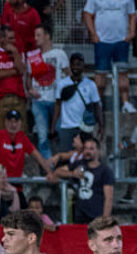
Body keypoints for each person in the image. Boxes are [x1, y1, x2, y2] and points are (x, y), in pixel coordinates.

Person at [82, 0, 136, 114]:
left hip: (121, 41)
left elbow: (132, 14)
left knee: (123, 73)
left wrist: (132, 32)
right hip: (102, 41)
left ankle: (125, 103)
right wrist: (93, 34)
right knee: (100, 74)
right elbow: (87, 14)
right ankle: (98, 103)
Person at [25, 24, 68, 158]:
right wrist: (30, 90)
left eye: (39, 35)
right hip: (39, 101)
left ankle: (64, 166)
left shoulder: (60, 54)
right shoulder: (32, 56)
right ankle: (48, 171)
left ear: (47, 36)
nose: (35, 38)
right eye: (35, 35)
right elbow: (28, 77)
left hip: (57, 101)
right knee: (42, 138)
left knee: (61, 133)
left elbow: (69, 74)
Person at [52, 52, 101, 152]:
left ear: (83, 66)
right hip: (66, 126)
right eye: (73, 64)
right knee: (66, 156)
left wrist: (101, 125)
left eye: (78, 64)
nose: (76, 67)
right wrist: (53, 126)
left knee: (85, 155)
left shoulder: (91, 84)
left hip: (85, 127)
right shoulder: (62, 84)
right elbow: (57, 105)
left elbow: (97, 106)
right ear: (70, 66)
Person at [0, 106, 56, 189]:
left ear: (20, 123)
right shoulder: (1, 135)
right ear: (5, 122)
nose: (13, 125)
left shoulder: (22, 137)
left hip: (17, 183)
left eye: (16, 121)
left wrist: (49, 172)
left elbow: (37, 156)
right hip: (2, 182)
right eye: (10, 121)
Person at [68, 134, 113, 224]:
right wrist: (72, 173)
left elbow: (109, 198)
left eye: (91, 149)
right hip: (79, 215)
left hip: (96, 216)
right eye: (85, 148)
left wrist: (105, 220)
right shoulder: (79, 164)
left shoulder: (105, 171)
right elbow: (59, 172)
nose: (88, 151)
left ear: (98, 151)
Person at [0, 22, 27, 121]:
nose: (14, 41)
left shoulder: (18, 51)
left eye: (14, 38)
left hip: (18, 98)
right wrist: (13, 71)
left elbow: (21, 70)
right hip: (1, 99)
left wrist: (15, 52)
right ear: (1, 39)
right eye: (10, 38)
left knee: (20, 133)